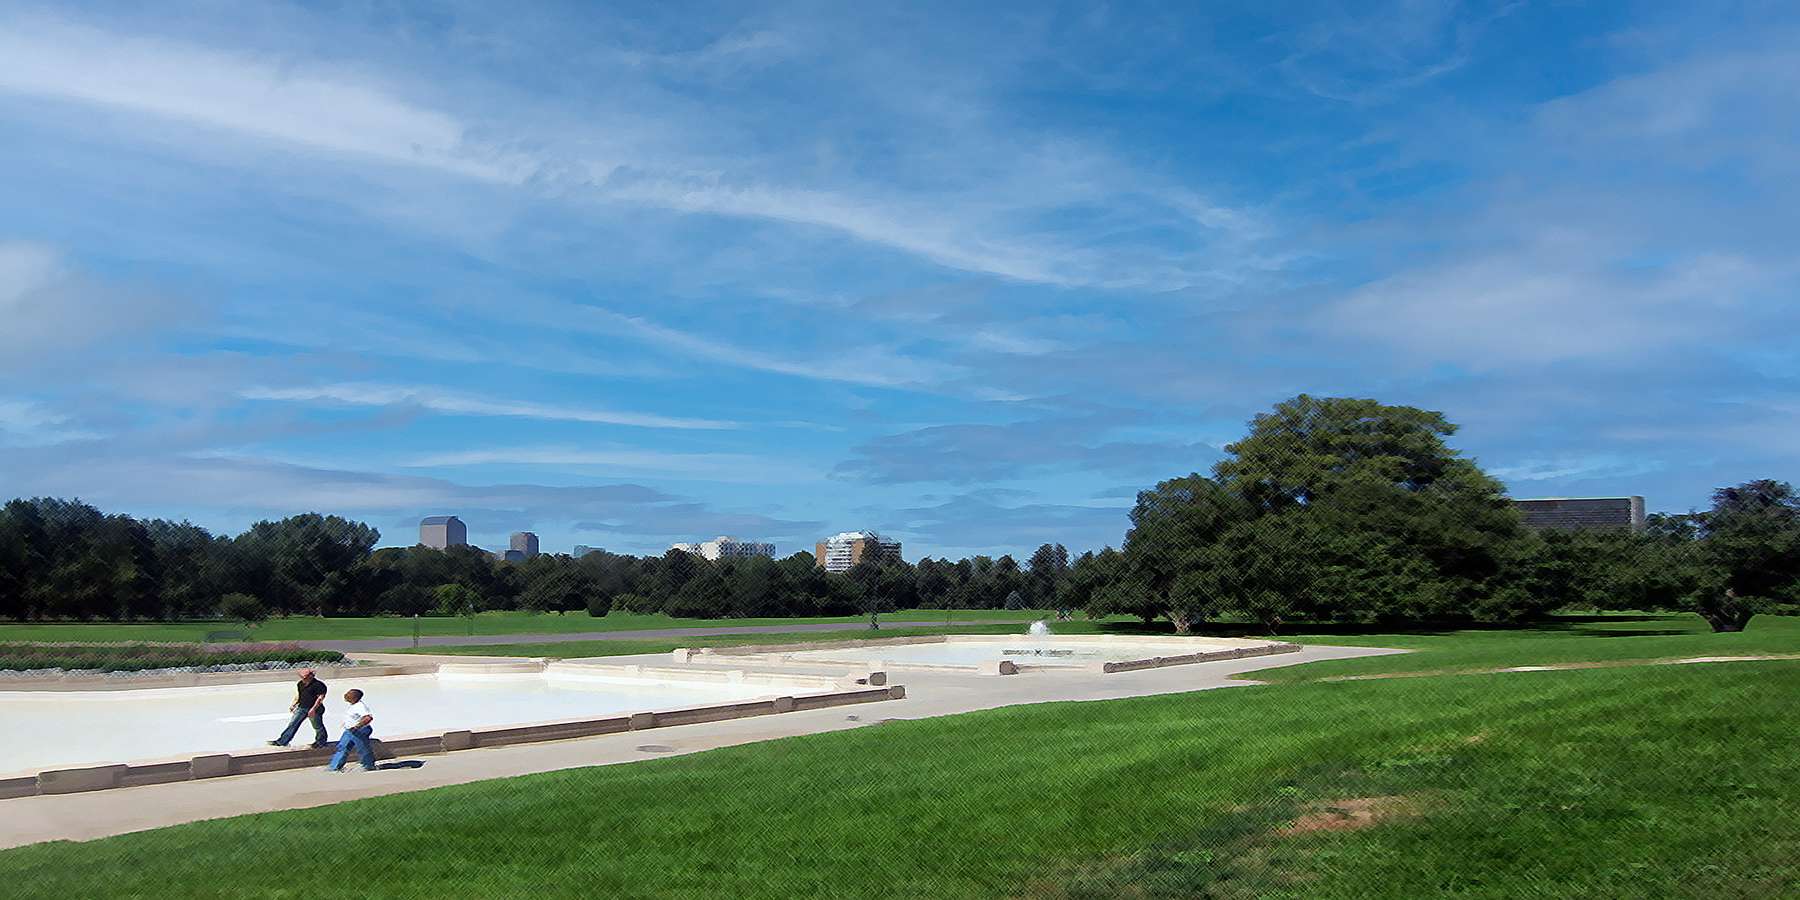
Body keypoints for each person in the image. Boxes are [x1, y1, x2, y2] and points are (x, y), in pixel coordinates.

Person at [268, 669, 328, 749]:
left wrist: (313, 709)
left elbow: (320, 698)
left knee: (317, 726)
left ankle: (321, 742)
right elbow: (299, 695)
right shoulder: (300, 684)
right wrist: (294, 704)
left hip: (315, 709)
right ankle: (282, 741)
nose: (303, 679)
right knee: (293, 724)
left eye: (305, 677)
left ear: (311, 676)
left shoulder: (319, 685)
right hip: (302, 707)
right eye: (302, 677)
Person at [326, 688, 377, 772]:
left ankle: (368, 765)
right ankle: (335, 766)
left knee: (362, 748)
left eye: (349, 694)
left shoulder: (360, 706)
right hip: (349, 731)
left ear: (355, 697)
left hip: (359, 731)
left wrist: (357, 726)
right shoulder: (353, 706)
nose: (346, 695)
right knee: (342, 747)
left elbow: (368, 718)